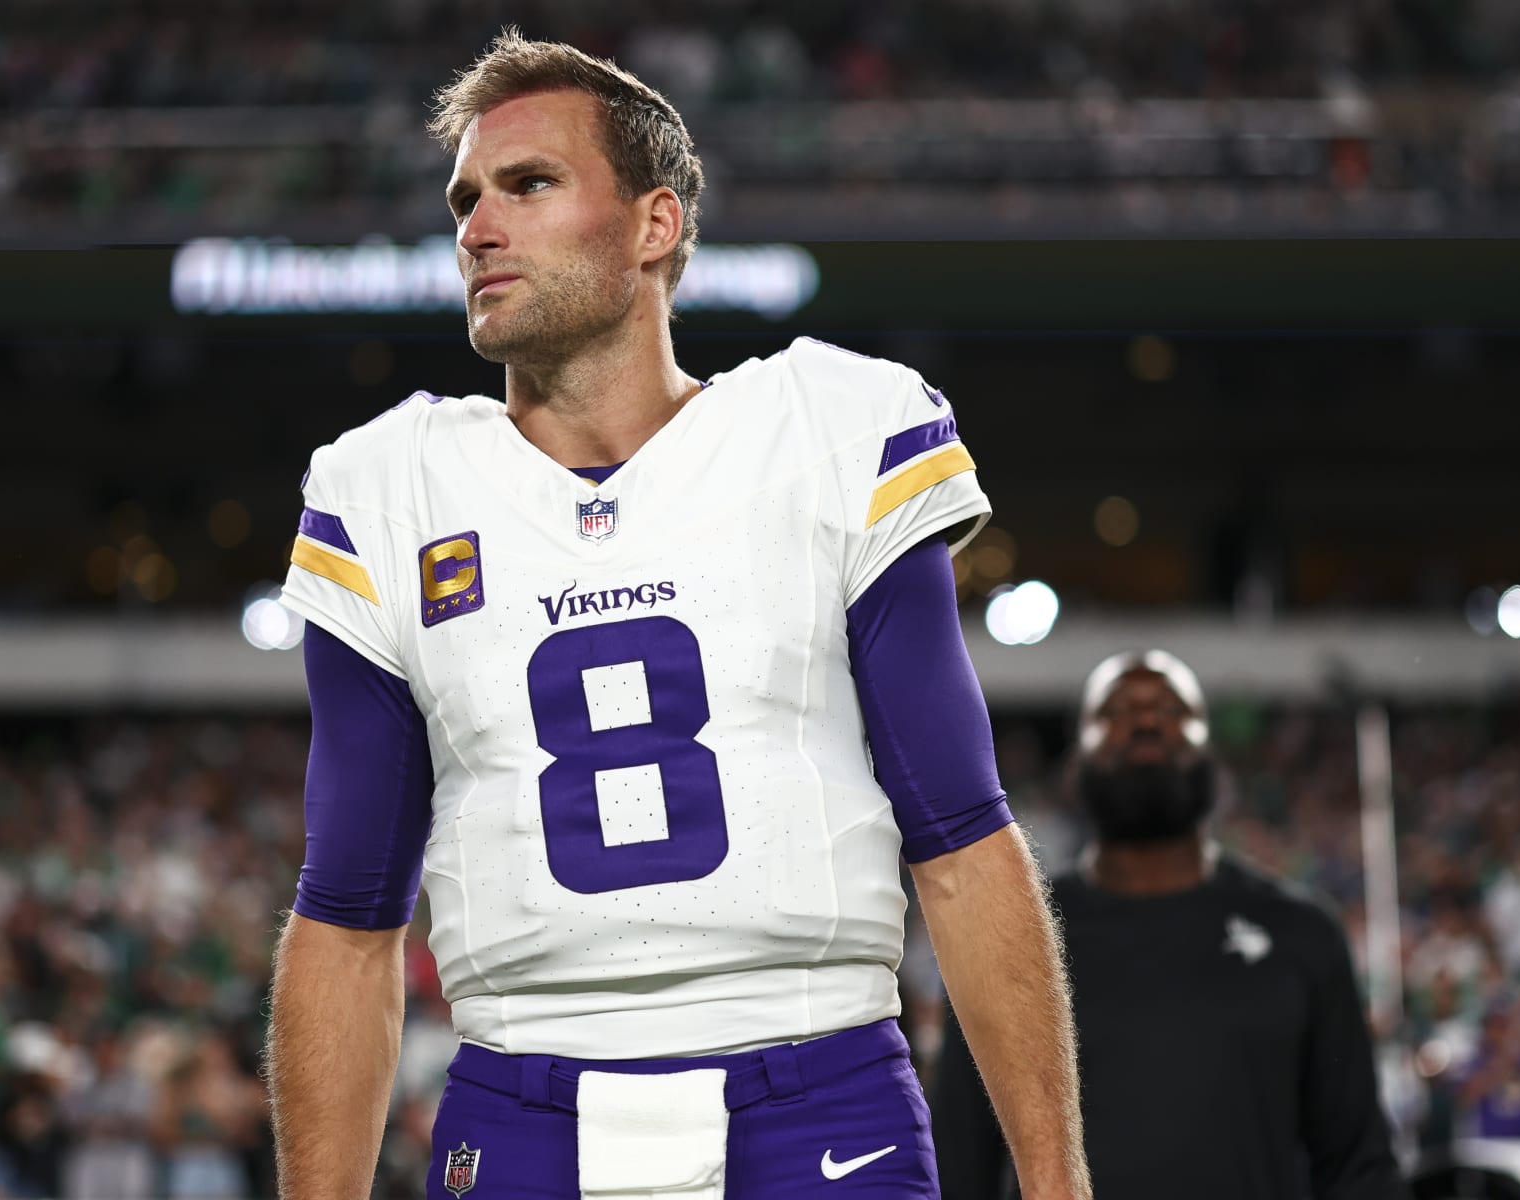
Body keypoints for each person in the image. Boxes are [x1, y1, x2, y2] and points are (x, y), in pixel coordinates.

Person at [265, 29, 1088, 1200]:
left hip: (818, 1084)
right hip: (521, 1098)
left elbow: (960, 840)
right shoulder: (384, 486)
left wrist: (1057, 1184)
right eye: (466, 198)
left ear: (655, 225)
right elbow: (346, 923)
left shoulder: (830, 426)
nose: (477, 228)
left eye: (529, 184)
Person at [933, 650, 1408, 1200]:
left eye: (1172, 708)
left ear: (1212, 752)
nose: (1146, 720)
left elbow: (1358, 1167)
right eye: (1114, 712)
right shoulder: (1008, 938)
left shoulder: (1302, 934)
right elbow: (958, 1163)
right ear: (1073, 763)